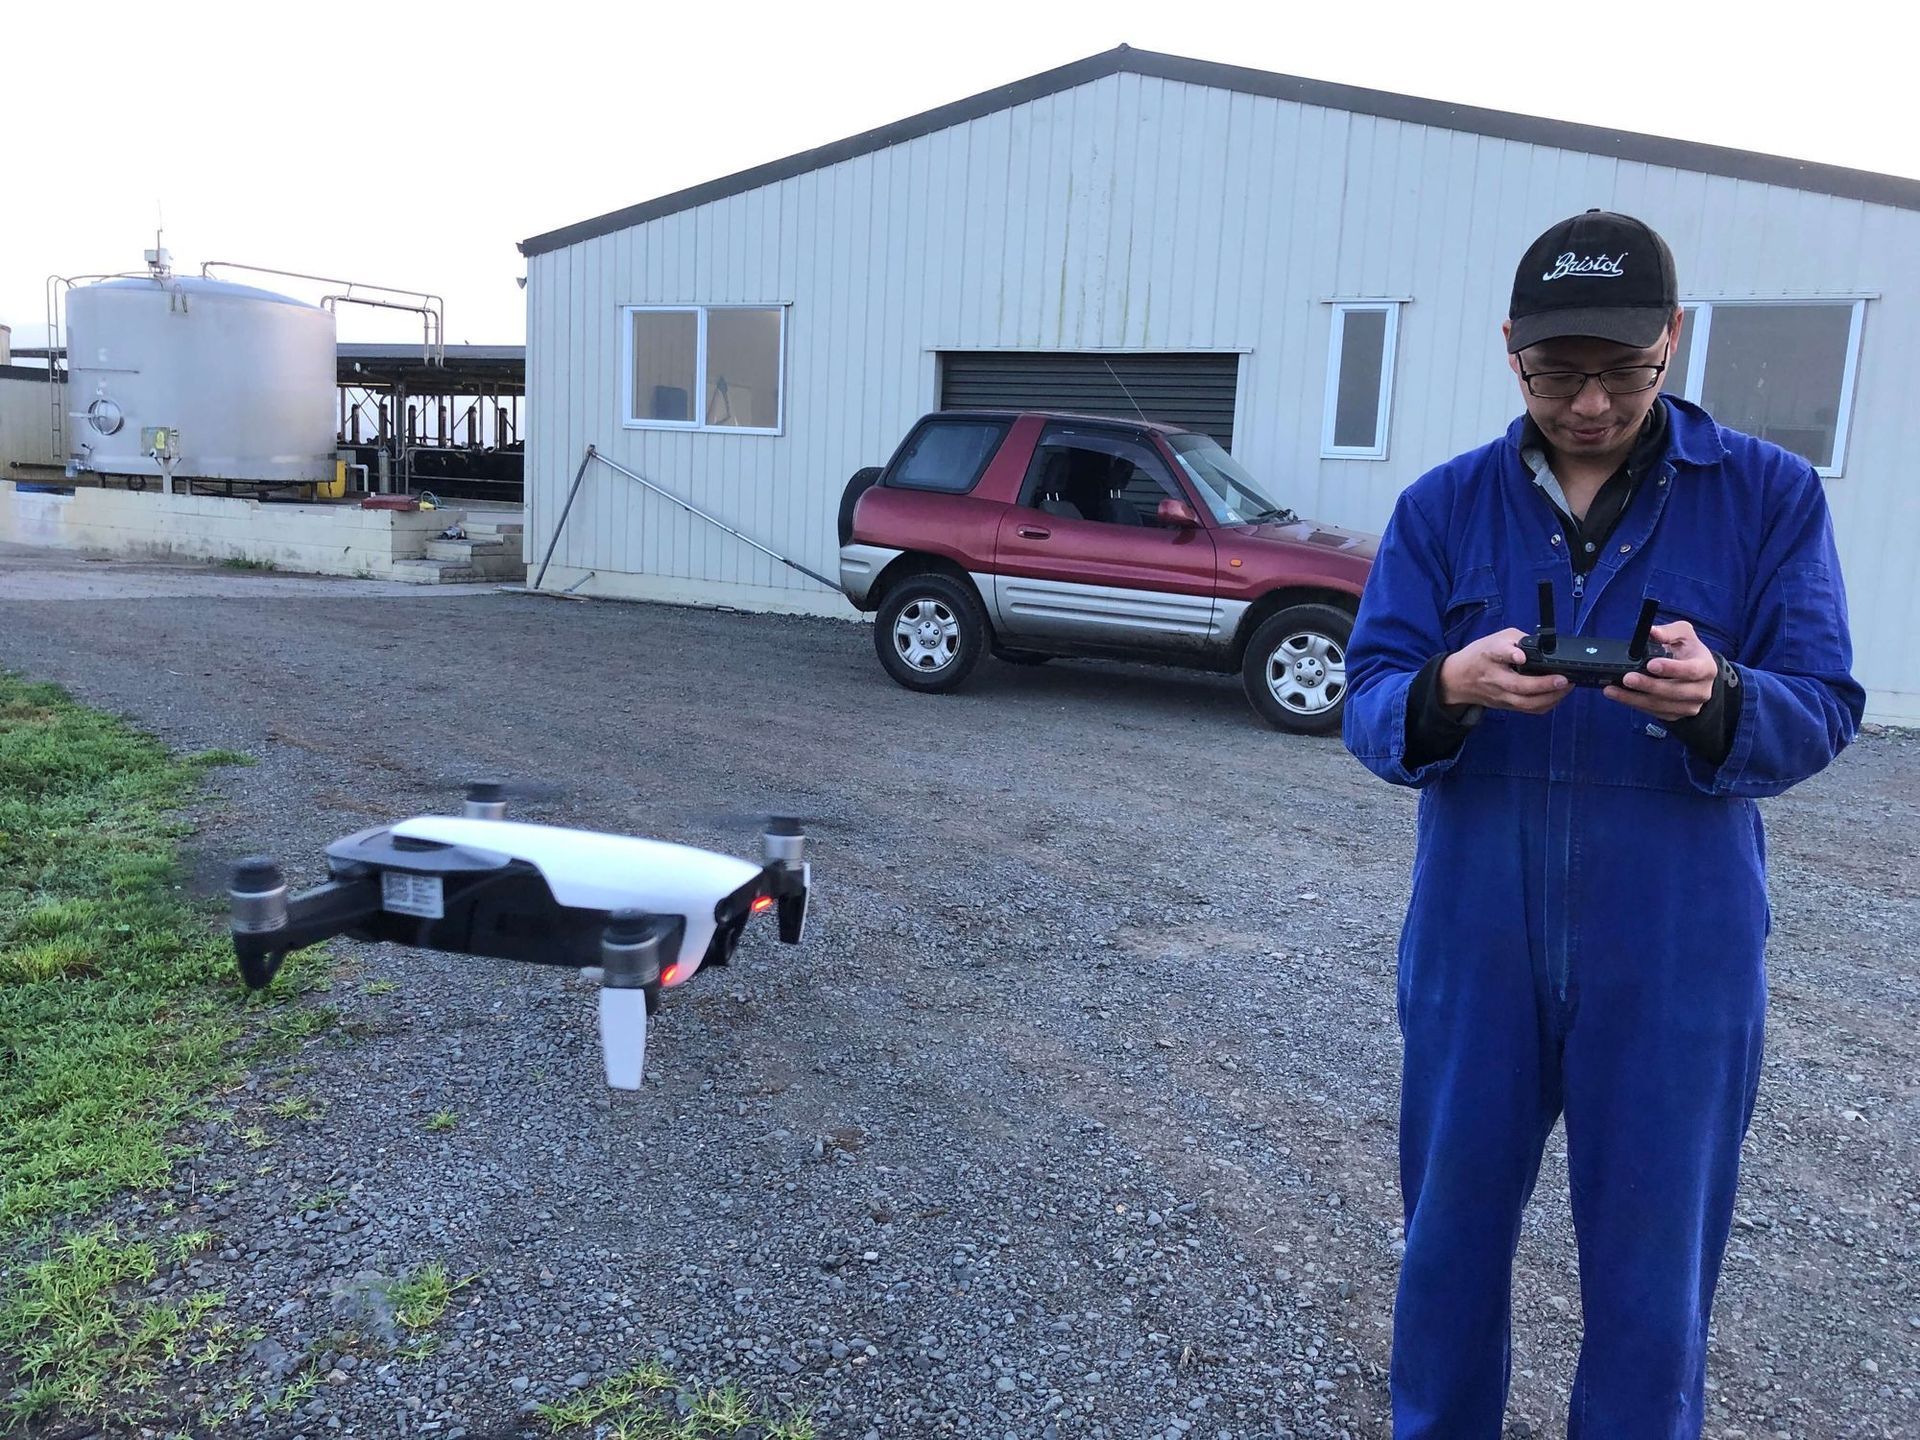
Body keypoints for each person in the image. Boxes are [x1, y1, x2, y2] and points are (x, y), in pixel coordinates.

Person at [1341, 209, 1866, 1438]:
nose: (1589, 404)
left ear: (1673, 342)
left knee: (1653, 1282)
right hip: (1478, 940)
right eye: (1558, 372)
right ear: (1509, 348)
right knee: (1449, 1252)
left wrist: (1720, 699)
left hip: (1679, 946)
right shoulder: (1441, 507)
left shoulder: (1771, 499)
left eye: (1622, 371)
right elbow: (1369, 703)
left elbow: (1825, 701)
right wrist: (1446, 691)